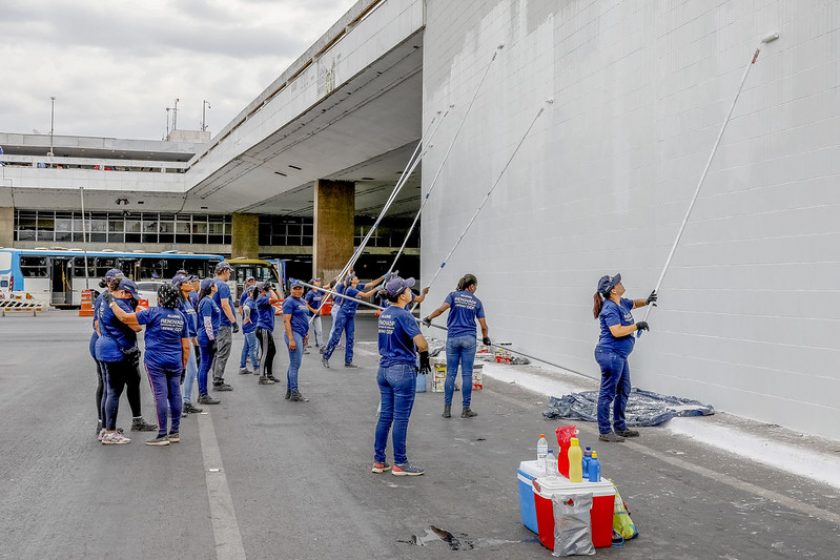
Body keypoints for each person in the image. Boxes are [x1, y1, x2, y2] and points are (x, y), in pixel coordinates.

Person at [105, 284, 190, 446]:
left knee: (160, 396)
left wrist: (112, 302)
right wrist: (183, 366)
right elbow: (185, 346)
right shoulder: (181, 316)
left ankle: (162, 434)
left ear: (160, 299)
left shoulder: (153, 313)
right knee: (175, 395)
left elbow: (124, 318)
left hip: (155, 361)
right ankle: (175, 432)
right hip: (175, 361)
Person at [372, 276, 430, 476]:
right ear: (402, 294)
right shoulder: (405, 316)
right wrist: (424, 359)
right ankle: (400, 463)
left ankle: (379, 461)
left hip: (384, 369)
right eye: (407, 289)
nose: (410, 292)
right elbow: (422, 344)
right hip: (402, 369)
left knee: (385, 417)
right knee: (401, 418)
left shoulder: (385, 313)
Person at [592, 273, 656, 442]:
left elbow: (634, 303)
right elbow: (617, 331)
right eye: (617, 283)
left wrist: (648, 300)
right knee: (607, 393)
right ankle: (605, 431)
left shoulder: (620, 303)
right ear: (613, 290)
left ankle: (619, 426)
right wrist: (637, 325)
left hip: (619, 355)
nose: (621, 283)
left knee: (624, 389)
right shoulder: (610, 309)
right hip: (610, 355)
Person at [96, 277, 156, 445]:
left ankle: (105, 429)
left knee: (109, 391)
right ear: (123, 292)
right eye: (130, 295)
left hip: (104, 346)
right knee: (114, 391)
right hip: (116, 351)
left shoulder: (104, 299)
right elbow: (135, 325)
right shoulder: (119, 303)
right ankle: (110, 432)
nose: (131, 298)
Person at [422, 274, 491, 419]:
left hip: (453, 338)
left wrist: (428, 318)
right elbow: (483, 325)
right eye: (475, 286)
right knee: (467, 374)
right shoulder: (477, 302)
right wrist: (485, 338)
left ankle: (447, 410)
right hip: (469, 339)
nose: (476, 289)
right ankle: (465, 409)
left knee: (451, 373)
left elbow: (441, 309)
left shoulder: (453, 296)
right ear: (471, 286)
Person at [321, 273, 386, 368]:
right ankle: (325, 356)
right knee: (336, 336)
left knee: (350, 338)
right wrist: (377, 288)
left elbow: (371, 284)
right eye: (355, 277)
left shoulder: (358, 286)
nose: (357, 278)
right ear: (351, 280)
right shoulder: (350, 289)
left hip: (350, 315)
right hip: (343, 314)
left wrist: (384, 277)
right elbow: (366, 295)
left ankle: (348, 361)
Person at [91, 268, 124, 439]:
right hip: (101, 343)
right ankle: (103, 425)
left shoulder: (109, 297)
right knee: (106, 385)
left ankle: (104, 425)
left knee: (107, 386)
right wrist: (109, 339)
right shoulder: (104, 298)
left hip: (101, 342)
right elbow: (97, 324)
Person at [173, 274, 204, 414]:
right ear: (180, 286)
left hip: (190, 339)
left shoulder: (189, 299)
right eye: (186, 282)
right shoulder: (178, 302)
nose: (190, 283)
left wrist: (195, 338)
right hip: (181, 340)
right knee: (180, 373)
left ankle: (186, 401)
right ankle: (176, 403)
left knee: (192, 371)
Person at [283, 280, 314, 401]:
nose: (297, 290)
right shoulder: (289, 301)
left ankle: (290, 391)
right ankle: (294, 393)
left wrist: (305, 334)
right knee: (295, 364)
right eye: (295, 288)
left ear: (303, 289)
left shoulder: (302, 301)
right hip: (293, 334)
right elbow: (286, 321)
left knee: (293, 364)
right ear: (291, 289)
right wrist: (291, 339)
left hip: (300, 334)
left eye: (299, 288)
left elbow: (303, 318)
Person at [211, 262, 238, 391]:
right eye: (229, 271)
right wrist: (234, 322)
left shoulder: (213, 283)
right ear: (224, 270)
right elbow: (225, 305)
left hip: (215, 323)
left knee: (217, 352)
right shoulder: (222, 285)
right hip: (223, 324)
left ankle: (215, 377)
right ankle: (218, 381)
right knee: (223, 352)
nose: (230, 273)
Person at [197, 278, 223, 405]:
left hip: (207, 336)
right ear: (211, 287)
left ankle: (202, 393)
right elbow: (207, 322)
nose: (216, 286)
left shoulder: (207, 300)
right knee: (204, 366)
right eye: (214, 285)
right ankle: (203, 394)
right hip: (207, 337)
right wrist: (212, 340)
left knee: (205, 366)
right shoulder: (207, 302)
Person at [254, 282, 282, 385]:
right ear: (261, 290)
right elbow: (274, 299)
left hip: (266, 329)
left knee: (272, 351)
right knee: (265, 353)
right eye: (265, 289)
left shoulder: (265, 298)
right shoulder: (261, 299)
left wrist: (272, 289)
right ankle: (262, 377)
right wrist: (269, 289)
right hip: (263, 329)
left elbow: (278, 298)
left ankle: (269, 374)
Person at [240, 285, 261, 377]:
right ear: (250, 293)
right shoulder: (250, 300)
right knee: (253, 348)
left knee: (246, 348)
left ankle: (242, 367)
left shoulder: (251, 300)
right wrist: (247, 317)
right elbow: (246, 308)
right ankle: (256, 368)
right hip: (251, 328)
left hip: (248, 327)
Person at [304, 277, 324, 349]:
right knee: (306, 330)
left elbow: (327, 290)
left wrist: (332, 289)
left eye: (318, 281)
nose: (318, 283)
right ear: (312, 284)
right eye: (316, 282)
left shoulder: (319, 291)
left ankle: (321, 345)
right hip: (309, 315)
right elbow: (305, 303)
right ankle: (305, 345)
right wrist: (313, 310)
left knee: (319, 330)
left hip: (317, 315)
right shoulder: (310, 293)